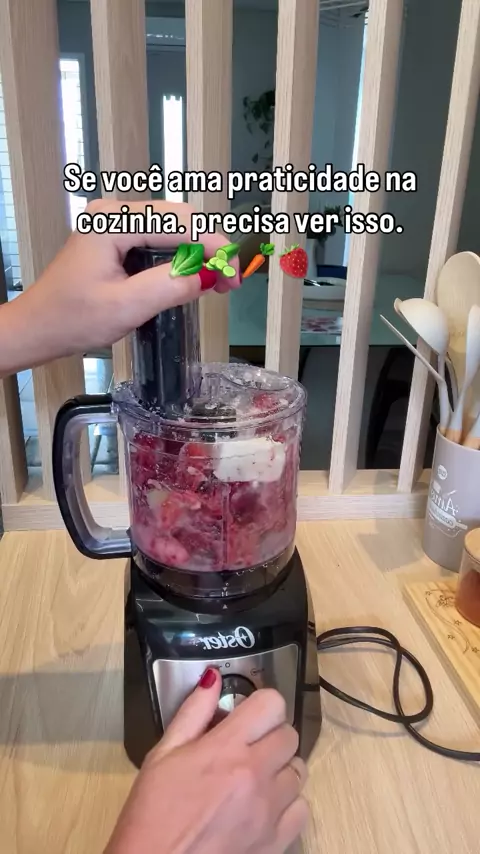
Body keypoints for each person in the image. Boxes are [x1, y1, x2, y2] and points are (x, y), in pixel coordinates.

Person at [0, 200, 310, 853]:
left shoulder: (262, 427)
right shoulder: (150, 427)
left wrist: (21, 328)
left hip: (265, 570)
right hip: (168, 577)